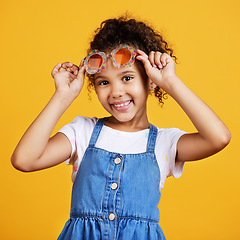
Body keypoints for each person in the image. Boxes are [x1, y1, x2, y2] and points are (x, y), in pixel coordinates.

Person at [11, 16, 231, 240]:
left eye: (127, 77)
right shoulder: (83, 132)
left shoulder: (165, 143)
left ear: (151, 80)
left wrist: (171, 81)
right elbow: (25, 160)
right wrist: (62, 96)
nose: (115, 91)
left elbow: (219, 138)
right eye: (103, 82)